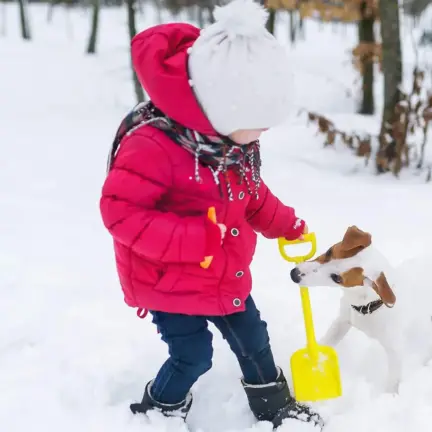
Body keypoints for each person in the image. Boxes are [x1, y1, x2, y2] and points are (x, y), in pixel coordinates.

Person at [98, 0, 321, 428]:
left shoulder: (228, 145)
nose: (263, 133)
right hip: (169, 280)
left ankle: (273, 407)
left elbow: (250, 196)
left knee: (254, 340)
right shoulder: (153, 145)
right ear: (220, 106)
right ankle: (161, 407)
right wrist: (197, 238)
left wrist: (286, 224)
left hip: (222, 273)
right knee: (193, 356)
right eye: (257, 121)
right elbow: (120, 212)